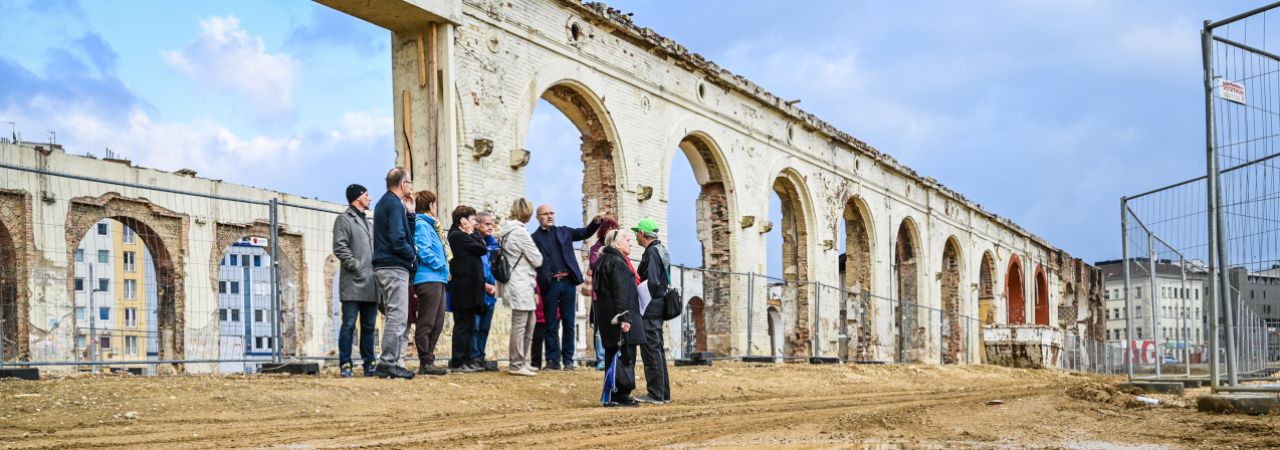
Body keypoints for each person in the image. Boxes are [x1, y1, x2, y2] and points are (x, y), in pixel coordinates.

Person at [531, 205, 607, 370]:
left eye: (552, 213)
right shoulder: (534, 238)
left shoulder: (564, 231)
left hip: (568, 283)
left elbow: (584, 233)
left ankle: (568, 361)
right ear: (538, 217)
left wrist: (596, 222)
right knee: (551, 324)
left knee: (569, 323)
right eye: (545, 214)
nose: (550, 216)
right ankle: (552, 361)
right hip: (549, 284)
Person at [371, 168, 417, 379]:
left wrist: (411, 215)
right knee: (397, 317)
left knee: (396, 316)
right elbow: (398, 239)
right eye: (409, 182)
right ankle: (388, 362)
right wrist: (412, 256)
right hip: (393, 266)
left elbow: (403, 233)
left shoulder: (387, 203)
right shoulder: (392, 203)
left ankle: (393, 362)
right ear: (403, 184)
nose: (411, 186)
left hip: (387, 265)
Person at [592, 229, 645, 407]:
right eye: (626, 239)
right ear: (616, 243)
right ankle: (619, 395)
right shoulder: (617, 262)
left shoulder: (604, 260)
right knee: (624, 356)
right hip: (620, 318)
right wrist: (624, 318)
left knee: (613, 354)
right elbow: (620, 292)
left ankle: (613, 394)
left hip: (608, 318)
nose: (630, 241)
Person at [333, 184, 377, 378]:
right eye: (367, 195)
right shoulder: (343, 220)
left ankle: (370, 364)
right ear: (358, 197)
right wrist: (356, 265)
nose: (370, 198)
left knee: (369, 327)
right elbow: (340, 246)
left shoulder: (369, 223)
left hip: (371, 283)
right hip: (353, 281)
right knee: (349, 325)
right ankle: (346, 364)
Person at [497, 198, 543, 376]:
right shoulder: (520, 233)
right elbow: (537, 259)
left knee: (529, 321)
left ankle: (522, 360)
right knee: (520, 323)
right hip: (520, 281)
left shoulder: (506, 230)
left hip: (521, 282)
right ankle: (516, 363)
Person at [633, 218, 671, 404]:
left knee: (650, 350)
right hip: (658, 306)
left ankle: (655, 394)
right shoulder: (661, 249)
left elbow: (653, 282)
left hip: (650, 307)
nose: (635, 236)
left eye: (636, 233)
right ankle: (663, 394)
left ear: (642, 233)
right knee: (657, 350)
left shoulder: (651, 253)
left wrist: (640, 295)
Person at [411, 190, 449, 376]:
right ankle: (425, 361)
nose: (436, 207)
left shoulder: (432, 225)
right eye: (435, 203)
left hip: (438, 278)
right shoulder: (422, 224)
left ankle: (428, 359)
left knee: (438, 322)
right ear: (430, 205)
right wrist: (440, 263)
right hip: (428, 278)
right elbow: (422, 250)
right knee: (427, 322)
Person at [447, 205, 488, 372]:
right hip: (463, 288)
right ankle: (458, 362)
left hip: (472, 288)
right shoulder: (457, 236)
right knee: (462, 325)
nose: (474, 223)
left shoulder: (465, 235)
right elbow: (482, 248)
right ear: (462, 220)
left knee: (471, 325)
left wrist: (471, 233)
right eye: (472, 220)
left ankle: (467, 359)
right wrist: (471, 232)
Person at [586, 217, 620, 370]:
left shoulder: (619, 248)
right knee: (600, 328)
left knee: (617, 325)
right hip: (599, 294)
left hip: (615, 293)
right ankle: (600, 359)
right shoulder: (596, 248)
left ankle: (616, 357)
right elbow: (593, 264)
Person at [470, 211, 500, 371]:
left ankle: (481, 356)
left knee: (485, 327)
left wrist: (496, 286)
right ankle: (473, 356)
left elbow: (497, 267)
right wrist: (484, 286)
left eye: (491, 224)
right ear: (478, 225)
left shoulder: (494, 245)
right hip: (478, 291)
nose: (490, 227)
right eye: (487, 224)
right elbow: (472, 269)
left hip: (492, 293)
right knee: (475, 326)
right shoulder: (474, 242)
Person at [531, 286, 546, 371]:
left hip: (542, 313)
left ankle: (536, 363)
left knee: (537, 340)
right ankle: (535, 363)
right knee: (537, 340)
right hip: (538, 314)